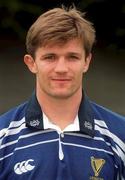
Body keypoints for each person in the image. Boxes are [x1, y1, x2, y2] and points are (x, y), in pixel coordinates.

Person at [0, 6, 125, 180]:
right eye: (50, 57)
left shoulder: (120, 135)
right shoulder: (3, 137)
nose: (61, 69)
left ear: (87, 62)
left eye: (72, 57)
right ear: (31, 63)